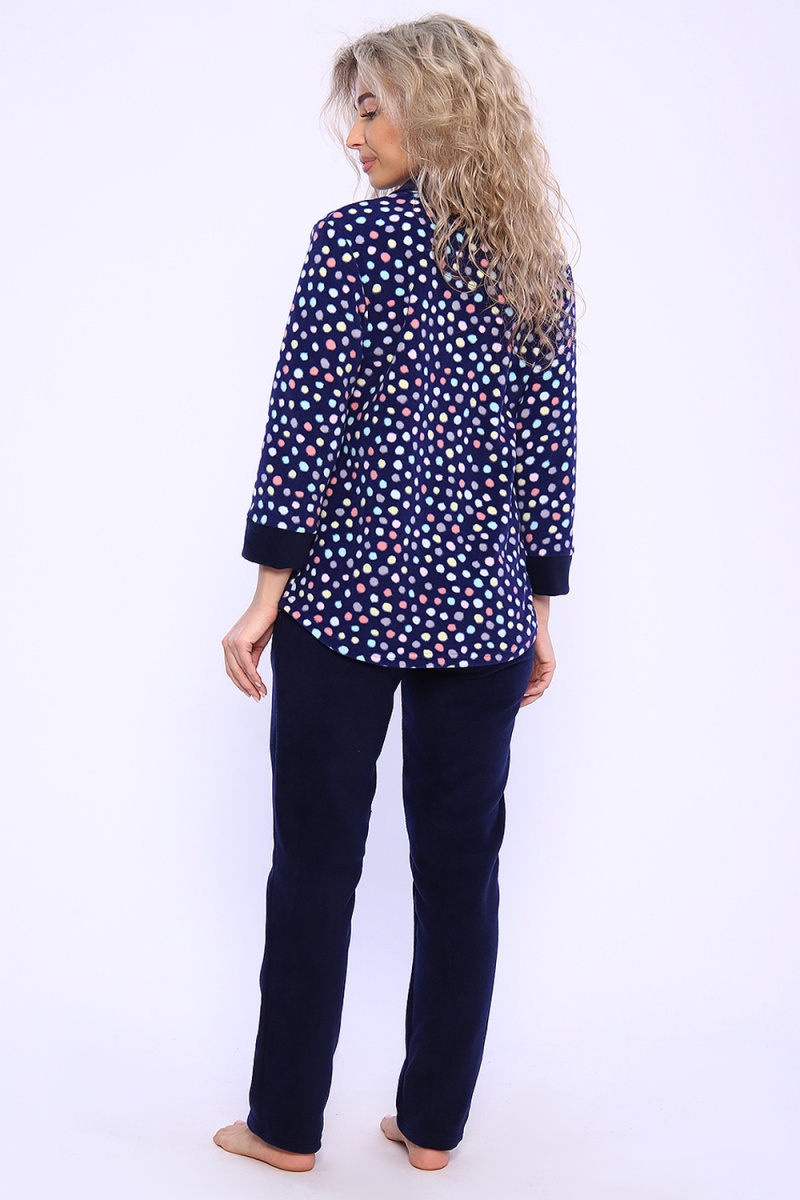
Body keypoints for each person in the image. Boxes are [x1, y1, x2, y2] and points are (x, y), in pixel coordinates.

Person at [214, 12, 577, 1174]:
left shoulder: (351, 245)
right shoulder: (533, 262)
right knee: (460, 872)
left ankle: (283, 1128)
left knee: (315, 862)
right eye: (353, 113)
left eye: (371, 109)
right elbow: (547, 451)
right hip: (480, 613)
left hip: (345, 604)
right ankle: (431, 1130)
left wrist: (266, 589)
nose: (353, 136)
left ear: (437, 108)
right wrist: (536, 607)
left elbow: (304, 421)